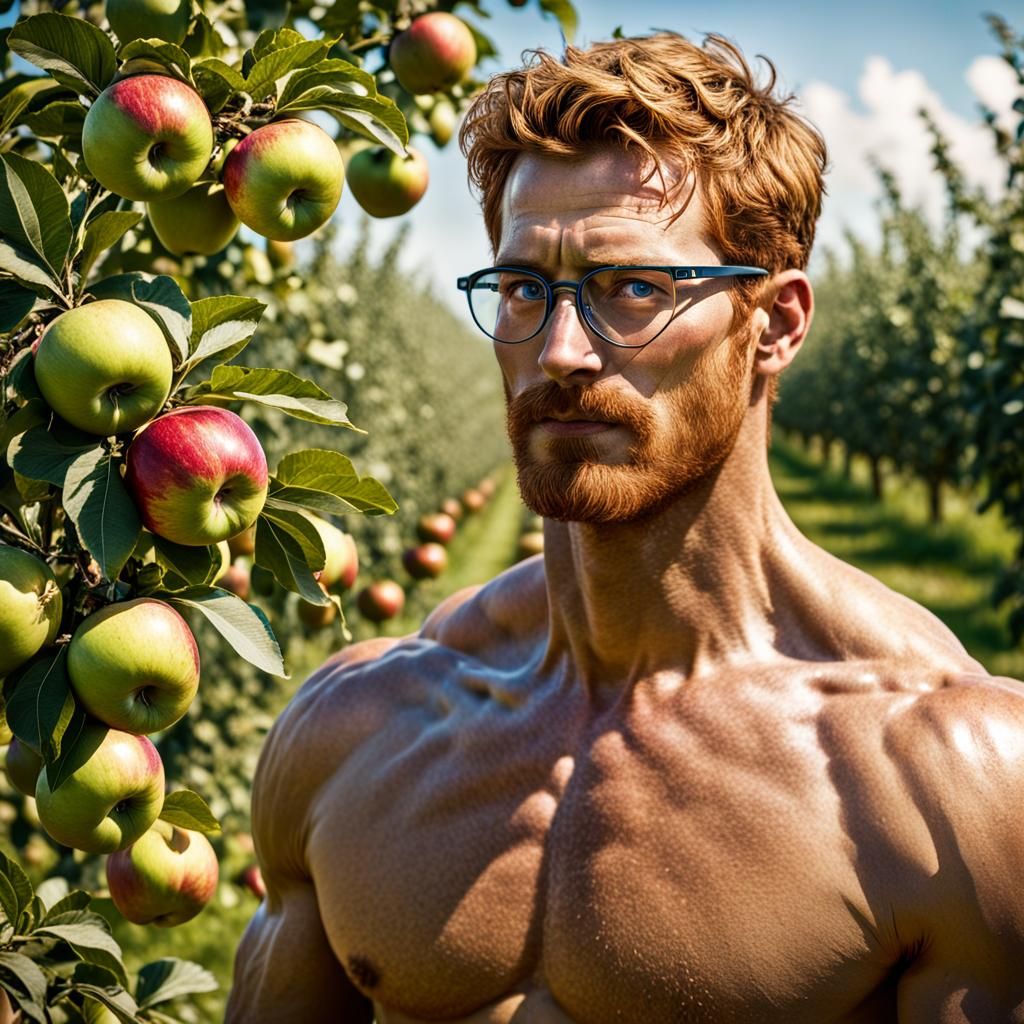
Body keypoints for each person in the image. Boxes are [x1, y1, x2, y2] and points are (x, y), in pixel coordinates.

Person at [226, 31, 1024, 1023]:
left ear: (773, 324)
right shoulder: (357, 730)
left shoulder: (936, 781)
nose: (559, 350)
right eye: (524, 289)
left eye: (632, 289)